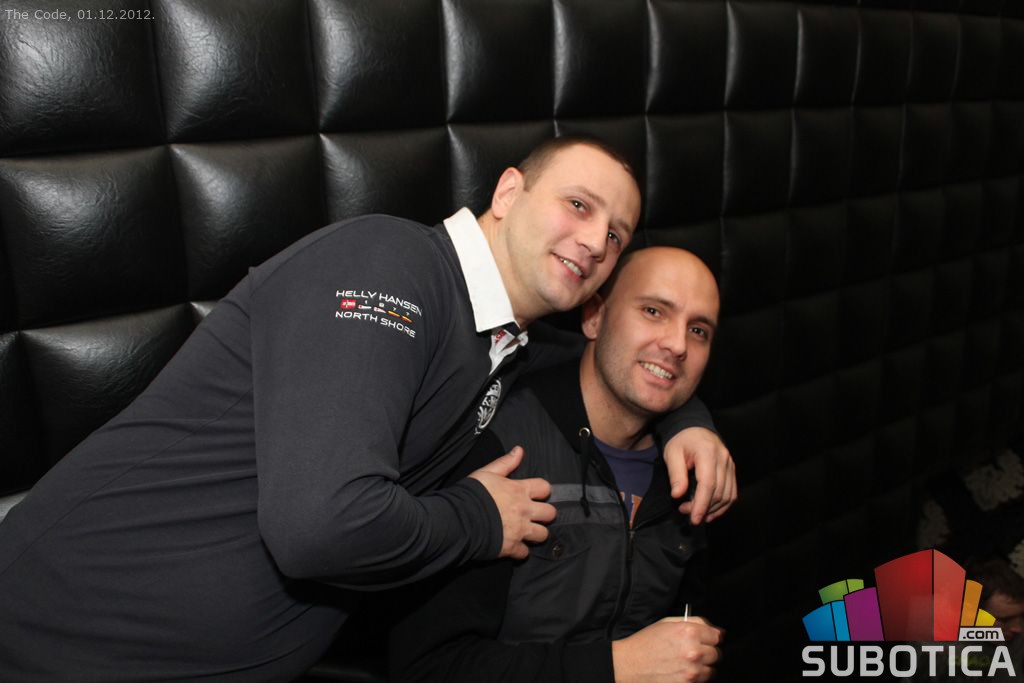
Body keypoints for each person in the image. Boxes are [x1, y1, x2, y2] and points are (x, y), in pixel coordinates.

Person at [0, 137, 734, 681]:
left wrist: (686, 421)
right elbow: (323, 527)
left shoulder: (503, 339)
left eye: (616, 235)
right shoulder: (388, 266)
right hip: (67, 641)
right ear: (509, 192)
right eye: (578, 204)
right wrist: (480, 519)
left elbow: (619, 364)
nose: (596, 241)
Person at [390, 247, 725, 683]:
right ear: (594, 318)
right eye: (653, 311)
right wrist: (616, 667)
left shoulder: (695, 467)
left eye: (698, 330)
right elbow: (427, 668)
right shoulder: (504, 450)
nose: (677, 345)